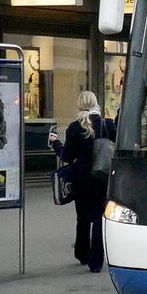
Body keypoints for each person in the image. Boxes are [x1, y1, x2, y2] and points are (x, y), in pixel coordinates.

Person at [50, 91, 115, 272]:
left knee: (83, 216)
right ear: (96, 103)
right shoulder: (107, 125)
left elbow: (67, 157)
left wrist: (56, 143)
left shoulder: (75, 127)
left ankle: (82, 253)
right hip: (102, 177)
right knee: (99, 217)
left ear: (79, 105)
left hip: (81, 178)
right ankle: (96, 262)